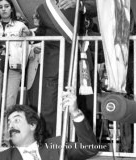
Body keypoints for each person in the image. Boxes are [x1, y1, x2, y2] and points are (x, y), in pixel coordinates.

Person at [27, 0, 97, 137]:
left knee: (72, 102)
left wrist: (78, 5)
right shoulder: (46, 7)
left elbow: (94, 9)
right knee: (48, 103)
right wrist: (30, 34)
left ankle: (70, 140)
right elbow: (43, 30)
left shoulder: (78, 2)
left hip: (72, 58)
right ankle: (50, 141)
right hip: (50, 60)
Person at [0, 87, 99, 160]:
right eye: (9, 123)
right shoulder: (1, 158)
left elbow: (89, 148)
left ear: (32, 125)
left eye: (17, 120)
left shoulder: (57, 146)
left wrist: (75, 112)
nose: (11, 126)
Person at [0, 0, 31, 147]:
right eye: (0, 7)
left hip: (13, 67)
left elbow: (27, 48)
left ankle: (6, 140)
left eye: (6, 6)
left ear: (11, 9)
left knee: (10, 105)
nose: (3, 9)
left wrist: (28, 35)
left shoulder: (20, 26)